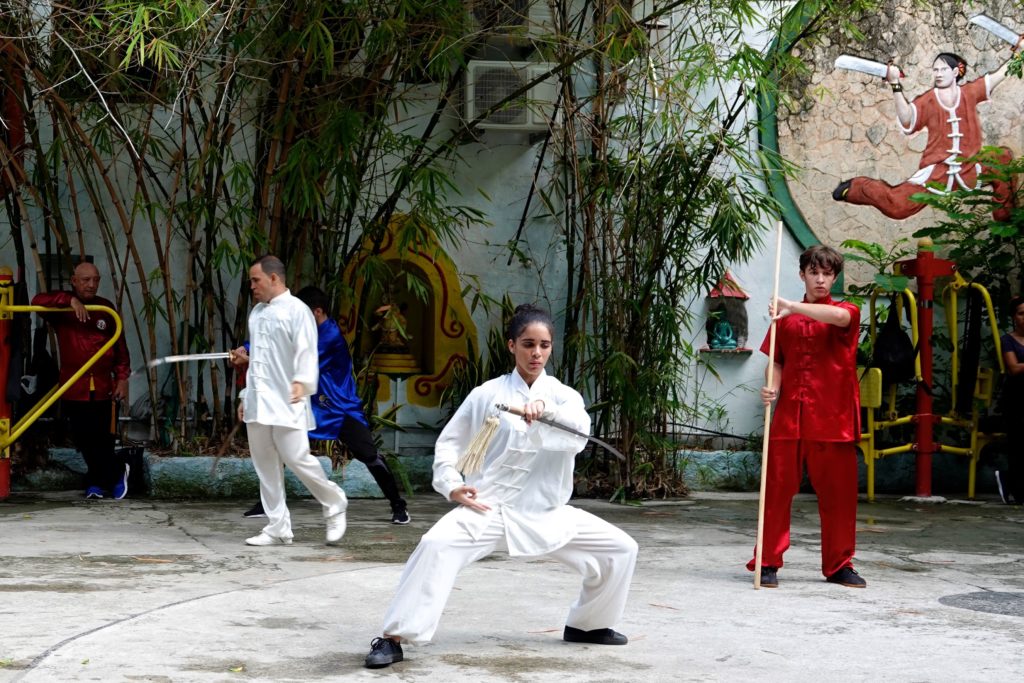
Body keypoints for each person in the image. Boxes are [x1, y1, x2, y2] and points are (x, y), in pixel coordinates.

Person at [363, 304, 638, 669]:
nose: (536, 353)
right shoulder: (486, 395)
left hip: (547, 512)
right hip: (490, 507)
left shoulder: (564, 397)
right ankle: (393, 638)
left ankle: (588, 625)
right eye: (528, 344)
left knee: (621, 549)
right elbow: (450, 442)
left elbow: (577, 436)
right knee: (435, 545)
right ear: (512, 346)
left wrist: (546, 413)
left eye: (544, 345)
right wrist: (451, 485)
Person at [234, 286, 410, 525]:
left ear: (316, 312)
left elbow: (291, 360)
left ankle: (399, 506)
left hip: (340, 407)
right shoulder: (304, 329)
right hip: (313, 404)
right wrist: (247, 347)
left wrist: (251, 357)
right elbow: (276, 342)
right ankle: (268, 505)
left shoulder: (330, 336)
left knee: (368, 455)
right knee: (282, 448)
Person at [748, 245, 865, 589]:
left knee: (839, 496)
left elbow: (838, 319)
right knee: (776, 492)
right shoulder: (784, 319)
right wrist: (770, 387)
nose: (820, 279)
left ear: (834, 277)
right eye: (814, 272)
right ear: (802, 274)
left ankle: (839, 564)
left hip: (835, 418)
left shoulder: (846, 311)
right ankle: (766, 561)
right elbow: (777, 361)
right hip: (790, 415)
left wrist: (790, 305)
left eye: (827, 273)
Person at [232, 255, 348, 547]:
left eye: (255, 280)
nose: (252, 286)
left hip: (288, 399)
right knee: (265, 466)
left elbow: (307, 351)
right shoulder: (257, 313)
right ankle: (277, 526)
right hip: (259, 401)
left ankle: (334, 503)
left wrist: (303, 382)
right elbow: (258, 361)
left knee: (297, 458)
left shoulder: (298, 310)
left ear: (274, 278)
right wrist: (245, 395)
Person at [833, 44, 1024, 221]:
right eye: (935, 70)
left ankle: (1006, 221)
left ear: (955, 72)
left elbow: (1000, 74)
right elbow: (907, 118)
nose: (938, 74)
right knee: (897, 207)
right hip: (938, 172)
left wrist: (1019, 53)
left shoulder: (970, 92)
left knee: (1001, 164)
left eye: (943, 69)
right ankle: (857, 187)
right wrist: (895, 85)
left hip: (969, 168)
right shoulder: (929, 100)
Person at [32, 262, 131, 499]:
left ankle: (108, 478)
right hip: (73, 385)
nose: (92, 284)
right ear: (74, 281)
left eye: (96, 279)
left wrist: (123, 378)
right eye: (85, 280)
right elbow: (36, 301)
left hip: (103, 386)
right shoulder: (62, 309)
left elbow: (120, 349)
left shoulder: (106, 309)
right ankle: (106, 477)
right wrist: (69, 301)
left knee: (103, 438)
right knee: (83, 438)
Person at [996, 295, 1024, 504]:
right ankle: (1014, 486)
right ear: (1014, 317)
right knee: (1018, 444)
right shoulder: (1008, 340)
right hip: (1016, 398)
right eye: (1022, 313)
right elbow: (1013, 368)